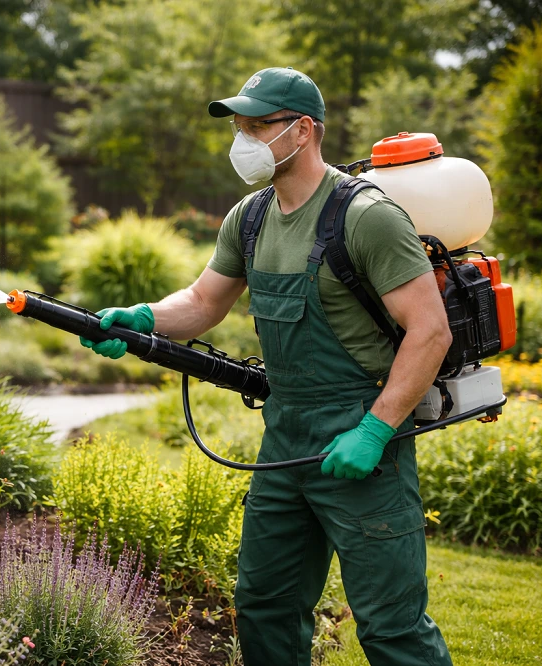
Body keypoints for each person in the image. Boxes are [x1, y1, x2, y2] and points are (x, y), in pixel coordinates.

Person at [80, 66, 454, 666]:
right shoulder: (249, 217)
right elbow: (203, 302)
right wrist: (146, 316)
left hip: (362, 438)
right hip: (285, 441)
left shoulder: (365, 217)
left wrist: (376, 429)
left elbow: (430, 331)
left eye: (257, 126)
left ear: (303, 130)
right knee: (264, 609)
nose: (242, 140)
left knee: (391, 627)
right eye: (239, 127)